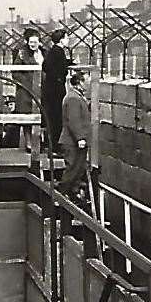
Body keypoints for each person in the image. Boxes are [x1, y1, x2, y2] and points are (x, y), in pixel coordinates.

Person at [58, 69, 91, 203]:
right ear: (80, 82)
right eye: (87, 80)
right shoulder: (73, 98)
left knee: (78, 168)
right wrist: (80, 138)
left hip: (75, 141)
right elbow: (73, 120)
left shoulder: (76, 97)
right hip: (72, 142)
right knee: (73, 168)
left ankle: (72, 193)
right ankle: (62, 194)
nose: (89, 83)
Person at [42, 29, 72, 150]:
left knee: (53, 116)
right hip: (56, 89)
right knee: (57, 117)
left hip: (52, 88)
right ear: (61, 39)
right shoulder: (58, 51)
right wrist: (59, 78)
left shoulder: (54, 51)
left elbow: (48, 65)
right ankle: (55, 146)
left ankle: (54, 144)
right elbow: (50, 67)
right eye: (67, 37)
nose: (68, 40)